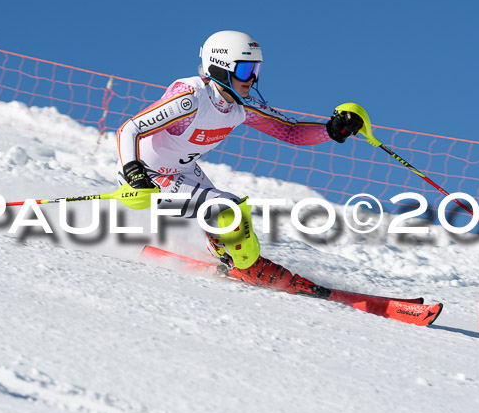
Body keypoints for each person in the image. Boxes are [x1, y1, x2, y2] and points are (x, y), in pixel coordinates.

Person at [117, 30, 363, 297]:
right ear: (220, 68)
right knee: (228, 208)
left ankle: (227, 258)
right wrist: (133, 172)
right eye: (246, 69)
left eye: (256, 69)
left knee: (226, 210)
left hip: (182, 172)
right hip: (147, 178)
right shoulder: (190, 98)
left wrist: (332, 130)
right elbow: (130, 128)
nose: (253, 78)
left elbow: (290, 131)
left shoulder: (240, 107)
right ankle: (248, 266)